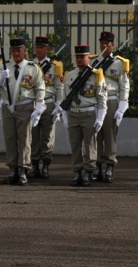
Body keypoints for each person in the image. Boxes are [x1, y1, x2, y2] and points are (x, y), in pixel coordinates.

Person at [0, 38, 46, 186]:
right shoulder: (4, 66)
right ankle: (13, 169)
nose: (16, 53)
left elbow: (40, 87)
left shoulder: (32, 68)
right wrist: (0, 78)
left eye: (19, 50)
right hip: (8, 108)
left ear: (24, 51)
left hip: (25, 107)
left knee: (24, 140)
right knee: (10, 139)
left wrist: (40, 106)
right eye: (14, 50)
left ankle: (23, 169)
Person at [59, 44, 108, 187]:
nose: (80, 60)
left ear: (89, 58)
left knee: (89, 145)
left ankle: (88, 171)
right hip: (73, 113)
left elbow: (101, 98)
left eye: (83, 57)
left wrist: (100, 117)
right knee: (75, 145)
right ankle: (77, 171)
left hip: (88, 113)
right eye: (78, 57)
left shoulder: (96, 75)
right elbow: (64, 96)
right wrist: (65, 115)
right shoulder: (70, 75)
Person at [91, 31, 130, 183]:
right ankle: (97, 166)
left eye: (107, 43)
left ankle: (110, 166)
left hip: (111, 101)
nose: (104, 45)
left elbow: (124, 86)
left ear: (112, 45)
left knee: (110, 135)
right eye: (102, 43)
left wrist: (122, 106)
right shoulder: (94, 61)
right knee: (96, 135)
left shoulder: (119, 63)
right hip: (95, 101)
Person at [28, 36, 64, 179]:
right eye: (37, 47)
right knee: (34, 135)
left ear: (47, 49)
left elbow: (59, 87)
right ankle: (35, 165)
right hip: (34, 104)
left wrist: (59, 105)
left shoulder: (55, 66)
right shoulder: (30, 65)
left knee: (48, 136)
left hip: (48, 102)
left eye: (41, 47)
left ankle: (46, 166)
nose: (39, 50)